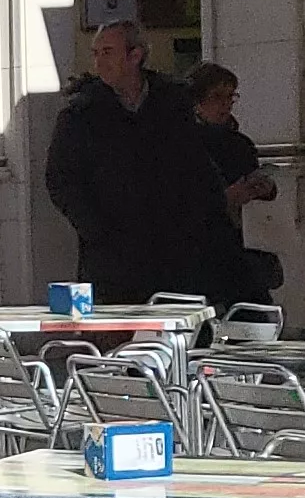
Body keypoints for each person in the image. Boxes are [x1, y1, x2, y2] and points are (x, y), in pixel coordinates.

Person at [46, 21, 248, 303]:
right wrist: (96, 230)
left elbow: (197, 166)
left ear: (135, 56)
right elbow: (61, 180)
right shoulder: (81, 113)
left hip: (174, 254)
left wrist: (204, 217)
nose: (99, 61)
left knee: (174, 325)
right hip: (112, 259)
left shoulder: (172, 103)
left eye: (108, 52)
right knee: (117, 328)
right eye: (96, 53)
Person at [192, 62, 278, 222]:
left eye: (230, 96)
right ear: (197, 101)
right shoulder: (181, 142)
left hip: (233, 230)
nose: (226, 104)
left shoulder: (240, 144)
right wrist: (222, 199)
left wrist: (264, 188)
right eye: (217, 97)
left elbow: (252, 176)